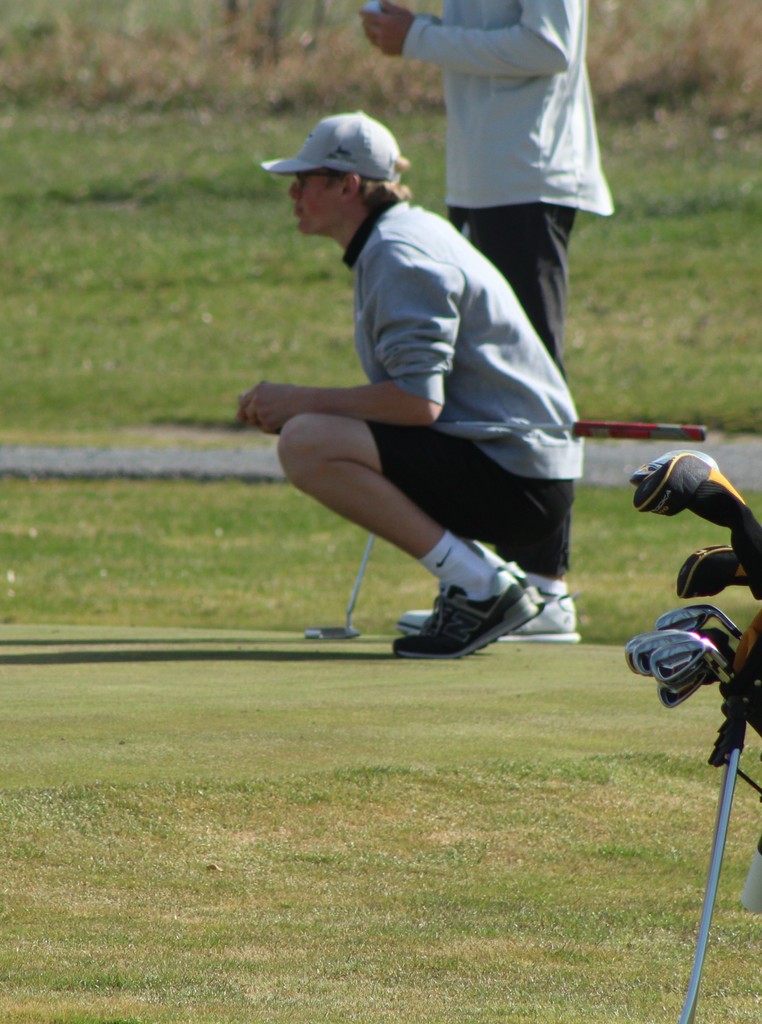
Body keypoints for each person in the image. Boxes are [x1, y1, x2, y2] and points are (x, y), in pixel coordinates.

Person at [237, 111, 583, 660]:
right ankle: (482, 584)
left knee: (306, 440)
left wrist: (296, 401)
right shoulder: (398, 236)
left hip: (519, 483)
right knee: (312, 430)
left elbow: (419, 402)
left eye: (305, 180)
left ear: (348, 186)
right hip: (515, 466)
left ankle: (482, 588)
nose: (293, 194)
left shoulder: (399, 253)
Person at [361, 1, 613, 641]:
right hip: (480, 178)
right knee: (476, 382)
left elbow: (549, 46)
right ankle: (489, 588)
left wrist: (420, 37)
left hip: (528, 175)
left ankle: (546, 589)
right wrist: (423, 32)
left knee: (530, 378)